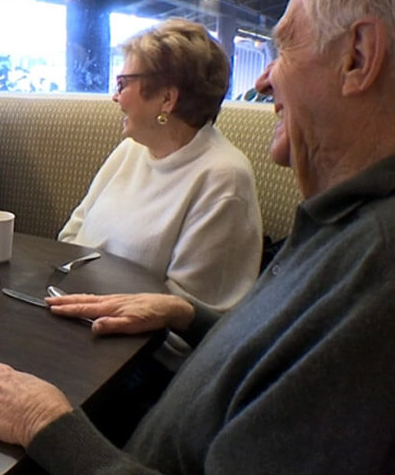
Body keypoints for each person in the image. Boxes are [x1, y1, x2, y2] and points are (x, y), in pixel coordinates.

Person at [0, 0, 395, 475]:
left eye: (285, 47)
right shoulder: (342, 222)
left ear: (357, 56)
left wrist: (49, 426)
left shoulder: (374, 275)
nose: (263, 78)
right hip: (122, 466)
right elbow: (262, 350)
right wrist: (184, 313)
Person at [58, 19, 262, 314]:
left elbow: (186, 316)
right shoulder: (132, 149)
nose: (115, 97)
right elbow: (69, 238)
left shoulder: (223, 179)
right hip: (77, 311)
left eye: (122, 84)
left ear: (166, 98)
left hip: (146, 349)